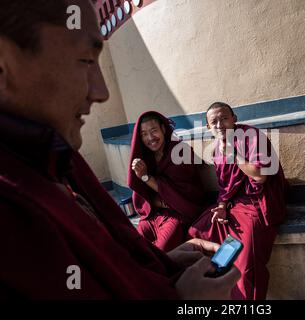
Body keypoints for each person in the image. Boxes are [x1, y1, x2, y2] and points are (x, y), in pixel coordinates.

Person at [0, 0, 239, 299]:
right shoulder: (13, 204)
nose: (101, 92)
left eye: (156, 130)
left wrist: (157, 266)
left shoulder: (57, 159)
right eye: (85, 61)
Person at [189, 102, 288, 300]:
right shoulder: (218, 148)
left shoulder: (251, 137)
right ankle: (220, 292)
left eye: (224, 118)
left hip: (258, 203)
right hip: (235, 204)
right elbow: (226, 185)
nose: (220, 125)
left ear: (234, 119)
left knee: (245, 265)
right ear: (208, 127)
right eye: (213, 122)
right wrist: (222, 206)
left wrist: (233, 154)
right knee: (198, 233)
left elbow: (260, 176)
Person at [129, 111, 205, 252]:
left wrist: (146, 177)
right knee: (135, 248)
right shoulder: (146, 157)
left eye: (154, 131)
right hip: (154, 214)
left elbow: (183, 194)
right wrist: (155, 200)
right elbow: (142, 193)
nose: (150, 138)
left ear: (163, 129)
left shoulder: (180, 151)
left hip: (178, 213)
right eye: (144, 134)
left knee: (162, 251)